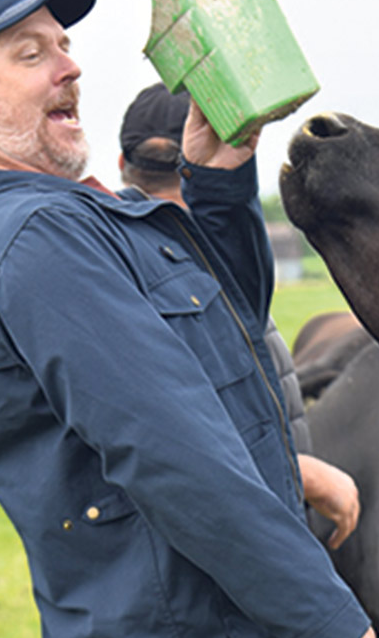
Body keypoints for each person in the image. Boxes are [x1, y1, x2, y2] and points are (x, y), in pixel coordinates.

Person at [0, 0, 377, 638]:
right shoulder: (40, 237)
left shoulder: (92, 216)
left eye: (63, 45)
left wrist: (217, 181)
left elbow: (230, 334)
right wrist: (333, 627)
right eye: (30, 54)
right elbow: (171, 451)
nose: (70, 67)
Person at [118, 83, 360, 549]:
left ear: (123, 166)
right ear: (206, 157)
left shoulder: (117, 260)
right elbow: (171, 433)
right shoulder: (176, 272)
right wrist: (302, 474)